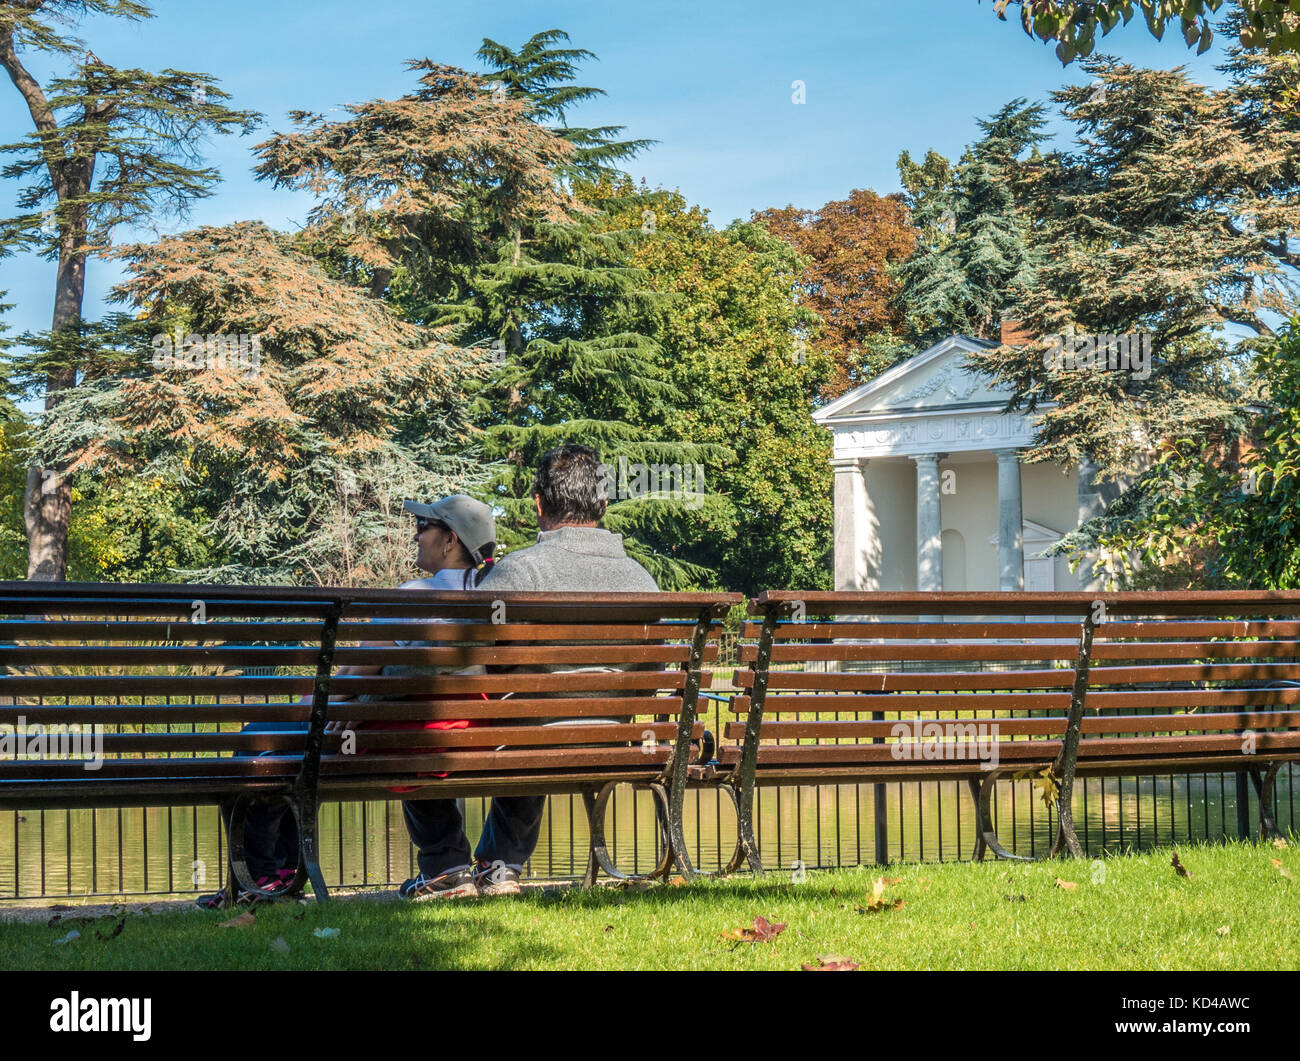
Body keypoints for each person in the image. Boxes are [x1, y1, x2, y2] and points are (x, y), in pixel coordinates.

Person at [195, 494, 496, 909]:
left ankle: (263, 877)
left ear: (450, 541)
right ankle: (441, 868)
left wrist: (337, 709)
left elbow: (354, 675)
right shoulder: (490, 599)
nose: (415, 534)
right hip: (465, 737)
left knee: (260, 736)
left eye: (424, 527)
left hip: (395, 736)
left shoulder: (414, 595)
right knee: (289, 735)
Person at [398, 443, 659, 901]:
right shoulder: (642, 580)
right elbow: (653, 673)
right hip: (612, 740)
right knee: (529, 716)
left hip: (531, 740)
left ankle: (446, 866)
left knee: (437, 713)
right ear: (602, 503)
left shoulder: (519, 572)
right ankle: (501, 865)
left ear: (539, 503)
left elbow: (460, 663)